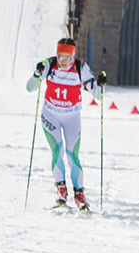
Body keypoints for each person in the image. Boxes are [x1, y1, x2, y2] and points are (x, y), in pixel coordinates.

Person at [26, 33, 103, 211]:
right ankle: (61, 190)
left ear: (73, 55)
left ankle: (79, 194)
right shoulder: (49, 64)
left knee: (72, 155)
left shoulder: (80, 68)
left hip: (71, 117)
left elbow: (98, 95)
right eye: (60, 56)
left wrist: (101, 84)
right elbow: (30, 88)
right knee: (56, 152)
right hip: (50, 115)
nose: (63, 61)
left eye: (67, 58)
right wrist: (37, 73)